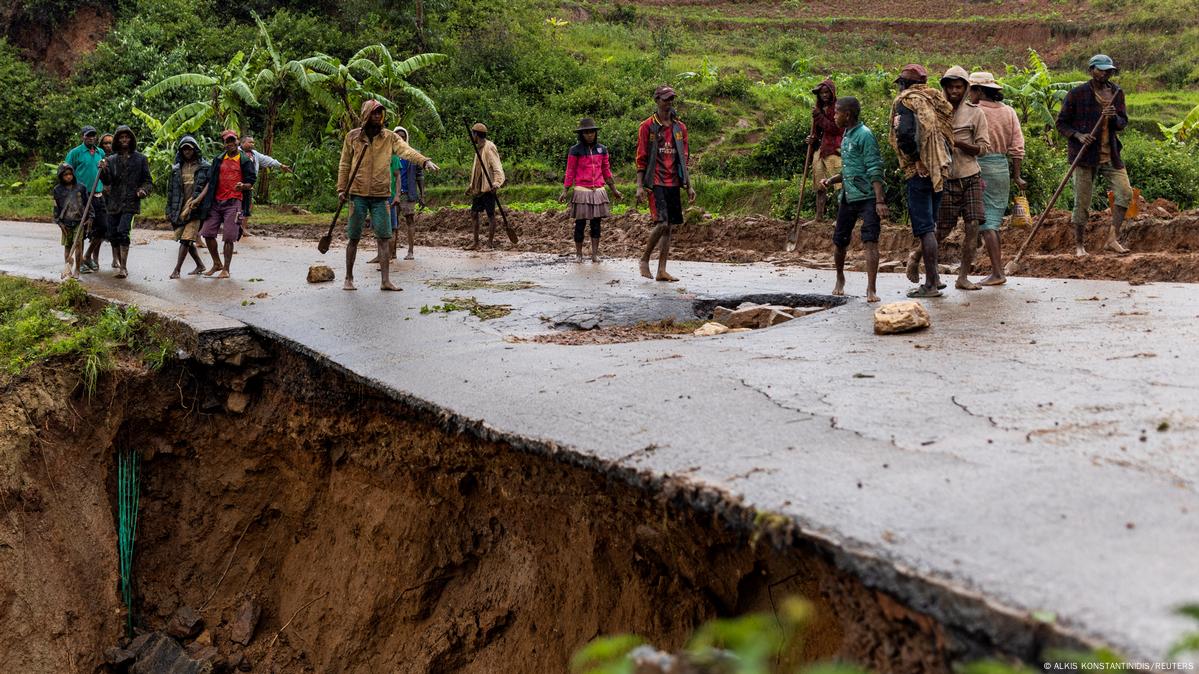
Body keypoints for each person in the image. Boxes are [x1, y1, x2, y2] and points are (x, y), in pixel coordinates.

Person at [337, 99, 439, 291]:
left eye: (380, 113)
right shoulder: (353, 137)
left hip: (381, 195)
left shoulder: (389, 138)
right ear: (366, 114)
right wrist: (341, 189)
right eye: (374, 113)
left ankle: (385, 281)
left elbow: (407, 151)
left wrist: (424, 161)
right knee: (354, 237)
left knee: (384, 237)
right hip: (357, 193)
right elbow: (344, 164)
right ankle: (348, 278)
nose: (378, 117)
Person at [1056, 54, 1131, 257]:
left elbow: (1123, 123)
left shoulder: (1116, 93)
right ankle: (1079, 245)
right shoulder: (1077, 94)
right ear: (1091, 70)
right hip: (1084, 156)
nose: (1105, 73)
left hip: (1111, 154)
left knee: (1125, 193)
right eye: (1101, 69)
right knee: (1082, 202)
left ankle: (1112, 239)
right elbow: (1061, 123)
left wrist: (1114, 116)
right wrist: (1078, 135)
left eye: (1109, 70)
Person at [890, 64, 954, 298]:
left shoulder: (907, 102)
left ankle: (930, 284)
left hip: (920, 172)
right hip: (940, 168)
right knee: (932, 224)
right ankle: (935, 277)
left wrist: (917, 160)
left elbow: (905, 134)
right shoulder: (935, 100)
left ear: (904, 84)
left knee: (925, 228)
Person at [819, 97, 887, 302]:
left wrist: (879, 201)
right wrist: (831, 180)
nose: (834, 115)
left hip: (867, 197)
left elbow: (875, 168)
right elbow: (850, 169)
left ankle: (871, 289)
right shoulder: (847, 135)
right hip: (848, 196)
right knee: (839, 241)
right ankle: (840, 278)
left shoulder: (865, 135)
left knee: (870, 240)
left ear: (847, 115)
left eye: (837, 112)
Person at [931, 65, 990, 291]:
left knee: (973, 226)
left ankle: (963, 277)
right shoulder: (937, 112)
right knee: (942, 229)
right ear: (944, 88)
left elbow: (984, 148)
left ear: (966, 89)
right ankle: (919, 258)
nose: (954, 91)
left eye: (958, 87)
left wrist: (961, 144)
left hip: (970, 175)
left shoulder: (975, 113)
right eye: (950, 87)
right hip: (946, 178)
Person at [969, 71, 1025, 286]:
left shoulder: (975, 112)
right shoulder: (1008, 112)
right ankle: (996, 269)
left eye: (971, 89)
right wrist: (1017, 175)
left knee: (987, 223)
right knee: (992, 220)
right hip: (1001, 168)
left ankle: (997, 272)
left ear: (979, 91)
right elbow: (1017, 147)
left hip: (979, 167)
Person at [636, 85, 695, 282]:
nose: (668, 102)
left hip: (673, 181)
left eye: (671, 99)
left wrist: (688, 184)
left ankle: (662, 270)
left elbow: (683, 159)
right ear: (657, 100)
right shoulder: (647, 126)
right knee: (662, 223)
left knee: (669, 227)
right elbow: (641, 157)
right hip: (655, 181)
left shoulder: (680, 128)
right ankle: (644, 259)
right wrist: (639, 186)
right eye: (665, 99)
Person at [559, 117, 622, 263]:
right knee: (580, 224)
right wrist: (565, 190)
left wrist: (614, 190)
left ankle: (594, 254)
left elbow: (606, 171)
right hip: (582, 190)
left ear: (595, 133)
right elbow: (570, 171)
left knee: (596, 224)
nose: (589, 135)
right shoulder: (575, 150)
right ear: (581, 134)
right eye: (586, 132)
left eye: (592, 132)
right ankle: (579, 254)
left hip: (598, 190)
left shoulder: (602, 149)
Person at [198, 130, 256, 279]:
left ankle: (226, 269)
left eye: (232, 140)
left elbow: (251, 182)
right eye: (227, 141)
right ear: (223, 144)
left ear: (237, 141)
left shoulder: (244, 160)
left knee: (229, 237)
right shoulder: (218, 159)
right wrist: (198, 200)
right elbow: (210, 181)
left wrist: (242, 186)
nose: (230, 144)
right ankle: (217, 263)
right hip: (216, 202)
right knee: (207, 233)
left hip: (234, 202)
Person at [97, 125, 151, 279]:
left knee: (123, 231)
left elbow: (148, 181)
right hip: (113, 202)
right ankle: (121, 264)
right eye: (121, 138)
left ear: (131, 139)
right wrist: (103, 170)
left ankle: (124, 267)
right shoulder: (111, 160)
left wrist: (143, 191)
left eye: (127, 137)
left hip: (130, 202)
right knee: (112, 234)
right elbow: (107, 181)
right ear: (117, 141)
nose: (124, 140)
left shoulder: (141, 159)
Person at [166, 136, 211, 279]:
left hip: (196, 208)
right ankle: (200, 265)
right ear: (181, 151)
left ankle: (176, 270)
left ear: (195, 149)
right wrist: (168, 210)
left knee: (186, 239)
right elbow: (171, 191)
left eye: (189, 149)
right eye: (184, 149)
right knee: (185, 239)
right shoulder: (176, 169)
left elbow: (210, 186)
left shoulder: (204, 167)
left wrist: (199, 200)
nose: (187, 151)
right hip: (179, 209)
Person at [64, 126, 106, 274]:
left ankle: (88, 255)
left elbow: (105, 172)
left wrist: (104, 166)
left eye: (93, 135)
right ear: (82, 136)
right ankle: (79, 262)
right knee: (80, 230)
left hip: (98, 195)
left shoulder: (100, 152)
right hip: (81, 197)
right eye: (88, 136)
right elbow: (65, 171)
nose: (91, 138)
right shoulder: (75, 153)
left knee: (102, 228)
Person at [238, 135, 293, 237]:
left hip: (248, 184)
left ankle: (242, 228)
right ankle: (235, 228)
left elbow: (268, 160)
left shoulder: (255, 154)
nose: (252, 144)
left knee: (248, 206)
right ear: (242, 143)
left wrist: (281, 165)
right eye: (250, 142)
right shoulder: (236, 153)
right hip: (236, 184)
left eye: (253, 143)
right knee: (236, 206)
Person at [808, 78, 843, 223]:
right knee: (819, 185)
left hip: (835, 149)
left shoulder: (838, 108)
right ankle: (819, 217)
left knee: (839, 185)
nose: (824, 95)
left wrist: (818, 116)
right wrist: (812, 139)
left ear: (832, 93)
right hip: (821, 151)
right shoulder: (818, 109)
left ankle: (841, 218)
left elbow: (835, 128)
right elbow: (818, 132)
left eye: (827, 92)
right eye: (821, 93)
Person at [466, 122, 505, 250]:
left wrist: (497, 183)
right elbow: (477, 170)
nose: (472, 137)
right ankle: (476, 242)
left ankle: (490, 243)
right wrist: (471, 186)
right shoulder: (478, 148)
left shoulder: (489, 147)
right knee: (474, 213)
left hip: (488, 187)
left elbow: (497, 167)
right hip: (478, 188)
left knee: (490, 214)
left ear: (476, 134)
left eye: (473, 134)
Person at [391, 126, 424, 261]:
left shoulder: (413, 154)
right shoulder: (390, 154)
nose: (401, 139)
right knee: (393, 223)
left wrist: (422, 195)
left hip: (408, 193)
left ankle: (410, 251)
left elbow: (419, 175)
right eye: (398, 136)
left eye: (403, 136)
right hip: (393, 192)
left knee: (410, 221)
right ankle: (392, 252)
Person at [52, 163, 88, 279]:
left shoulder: (81, 187)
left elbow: (88, 204)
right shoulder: (57, 190)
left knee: (78, 245)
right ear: (61, 176)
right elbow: (56, 208)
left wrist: (90, 218)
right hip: (65, 223)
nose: (68, 177)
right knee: (67, 246)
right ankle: (68, 269)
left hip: (79, 221)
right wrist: (59, 222)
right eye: (65, 175)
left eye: (70, 174)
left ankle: (77, 269)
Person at [98, 132, 118, 270]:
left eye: (110, 143)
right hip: (101, 196)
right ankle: (94, 257)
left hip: (115, 197)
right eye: (105, 143)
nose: (108, 146)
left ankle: (115, 258)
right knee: (99, 229)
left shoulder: (118, 158)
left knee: (114, 230)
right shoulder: (99, 158)